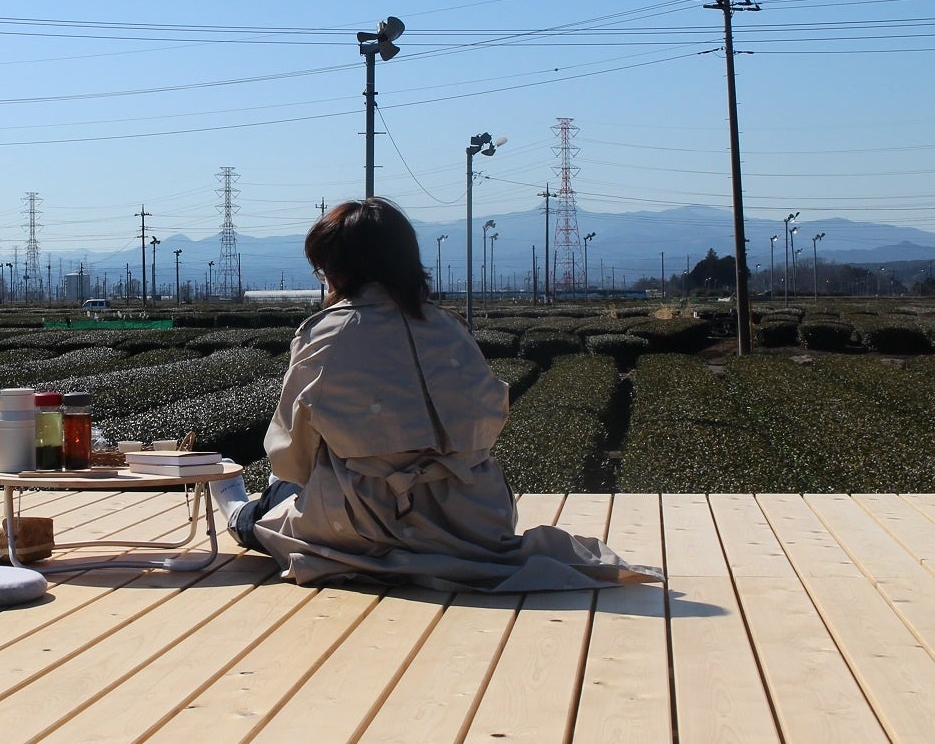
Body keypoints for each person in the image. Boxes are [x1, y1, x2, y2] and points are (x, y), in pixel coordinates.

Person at [209, 198, 659, 591]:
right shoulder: (448, 327)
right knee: (296, 486)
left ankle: (232, 506)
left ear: (338, 270)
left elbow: (291, 457)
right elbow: (489, 417)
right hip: (474, 515)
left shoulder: (326, 333)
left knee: (275, 502)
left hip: (370, 520)